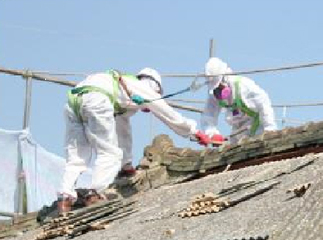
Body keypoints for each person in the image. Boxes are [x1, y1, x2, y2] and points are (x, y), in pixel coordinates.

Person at [58, 68, 208, 213]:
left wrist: (127, 165)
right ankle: (95, 193)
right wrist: (194, 132)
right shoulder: (142, 86)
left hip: (73, 102)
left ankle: (65, 197)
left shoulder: (121, 90)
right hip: (97, 99)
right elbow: (165, 112)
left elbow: (123, 130)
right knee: (110, 153)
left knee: (77, 157)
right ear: (154, 87)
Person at [196, 58, 277, 146]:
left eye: (219, 86)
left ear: (225, 78)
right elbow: (208, 115)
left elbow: (264, 105)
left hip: (257, 127)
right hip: (238, 131)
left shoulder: (244, 85)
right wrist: (212, 133)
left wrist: (270, 129)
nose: (218, 89)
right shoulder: (214, 93)